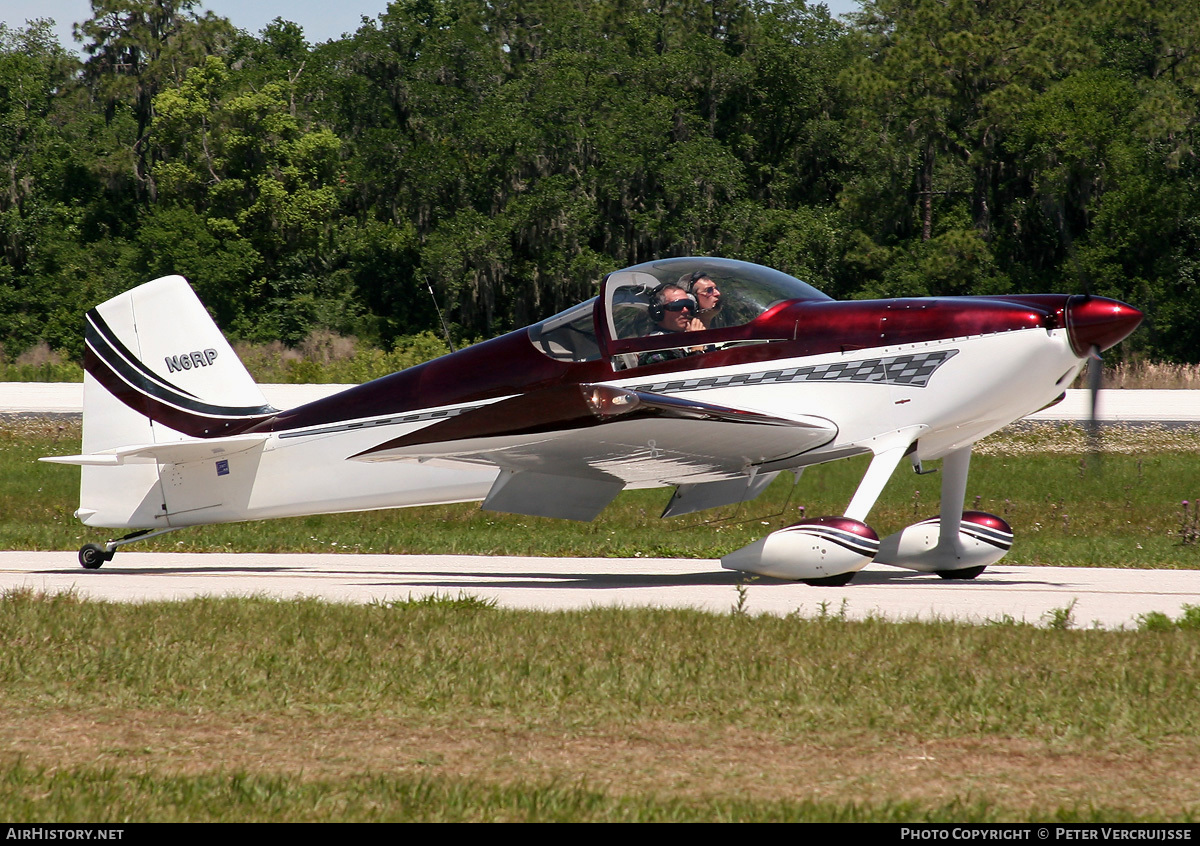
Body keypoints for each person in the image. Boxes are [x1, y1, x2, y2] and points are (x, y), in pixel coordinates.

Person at [638, 284, 698, 366]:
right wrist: (696, 349)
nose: (685, 310)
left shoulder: (688, 337)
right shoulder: (654, 346)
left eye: (688, 305)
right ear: (658, 311)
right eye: (677, 306)